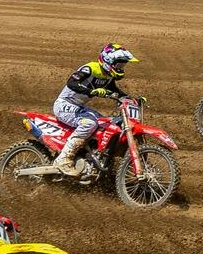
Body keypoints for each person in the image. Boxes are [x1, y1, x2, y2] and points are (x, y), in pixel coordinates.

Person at [45, 44, 136, 177]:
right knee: (89, 123)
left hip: (78, 107)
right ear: (108, 61)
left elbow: (115, 92)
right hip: (64, 105)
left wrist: (131, 99)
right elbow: (72, 83)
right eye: (119, 65)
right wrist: (91, 91)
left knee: (106, 124)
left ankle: (91, 158)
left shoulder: (108, 77)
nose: (120, 68)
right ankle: (63, 159)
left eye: (122, 66)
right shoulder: (90, 68)